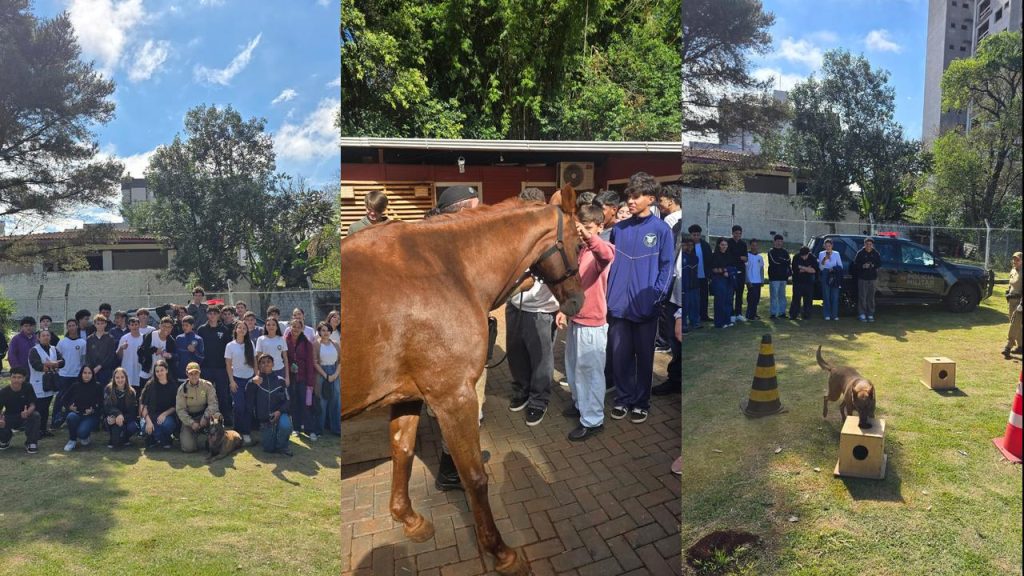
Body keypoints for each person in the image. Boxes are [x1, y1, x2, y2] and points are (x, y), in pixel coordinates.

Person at [606, 173, 674, 424]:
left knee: (644, 358)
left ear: (651, 199)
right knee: (619, 356)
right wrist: (609, 296)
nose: (630, 201)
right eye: (629, 196)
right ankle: (623, 399)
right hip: (618, 307)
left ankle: (641, 401)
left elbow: (667, 267)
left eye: (636, 196)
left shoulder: (661, 230)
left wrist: (656, 298)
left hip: (646, 307)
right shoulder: (619, 229)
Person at [556, 205, 615, 439]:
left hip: (593, 321)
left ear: (600, 227)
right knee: (573, 367)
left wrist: (589, 236)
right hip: (576, 318)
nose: (583, 233)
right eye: (581, 228)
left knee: (590, 372)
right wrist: (564, 311)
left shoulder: (602, 247)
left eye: (589, 228)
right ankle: (581, 405)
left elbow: (606, 254)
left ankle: (593, 420)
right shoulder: (580, 251)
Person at [250, 353, 293, 456]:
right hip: (265, 420)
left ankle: (282, 446)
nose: (266, 364)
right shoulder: (255, 382)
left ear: (273, 364)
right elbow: (249, 399)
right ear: (259, 365)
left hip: (280, 414)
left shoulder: (280, 381)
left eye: (268, 362)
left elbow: (288, 401)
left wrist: (279, 412)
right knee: (269, 448)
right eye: (263, 362)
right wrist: (252, 381)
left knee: (285, 425)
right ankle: (274, 436)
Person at [197, 305, 231, 426]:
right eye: (210, 313)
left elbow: (228, 350)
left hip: (221, 368)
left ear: (218, 315)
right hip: (206, 368)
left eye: (215, 313)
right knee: (204, 395)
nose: (212, 316)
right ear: (207, 315)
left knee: (223, 395)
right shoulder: (201, 330)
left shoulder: (225, 330)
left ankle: (225, 419)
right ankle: (204, 420)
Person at [175, 362, 218, 453]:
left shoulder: (207, 386)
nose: (194, 376)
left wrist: (206, 417)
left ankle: (213, 441)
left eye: (196, 373)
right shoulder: (182, 389)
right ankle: (201, 439)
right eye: (191, 374)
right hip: (190, 418)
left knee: (217, 418)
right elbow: (180, 410)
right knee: (188, 448)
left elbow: (213, 404)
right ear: (187, 374)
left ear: (200, 373)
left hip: (205, 416)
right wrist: (191, 423)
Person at [225, 322, 257, 445]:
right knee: (239, 406)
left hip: (249, 380)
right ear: (236, 330)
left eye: (244, 328)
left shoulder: (250, 344)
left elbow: (254, 361)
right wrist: (231, 381)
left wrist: (256, 376)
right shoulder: (230, 345)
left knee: (249, 407)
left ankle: (246, 432)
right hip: (236, 380)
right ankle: (237, 431)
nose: (242, 330)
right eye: (240, 328)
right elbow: (228, 364)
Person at [28, 328, 63, 437]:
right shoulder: (34, 350)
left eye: (47, 335)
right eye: (43, 335)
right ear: (38, 338)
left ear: (50, 337)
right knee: (38, 408)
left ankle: (44, 429)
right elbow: (37, 365)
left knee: (46, 408)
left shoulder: (54, 348)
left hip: (49, 383)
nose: (46, 337)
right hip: (38, 383)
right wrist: (53, 364)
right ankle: (36, 431)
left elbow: (62, 362)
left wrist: (50, 364)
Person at [53, 318, 87, 428]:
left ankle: (70, 418)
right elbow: (57, 357)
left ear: (77, 326)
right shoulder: (62, 342)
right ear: (67, 328)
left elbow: (83, 359)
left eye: (73, 325)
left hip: (76, 375)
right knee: (61, 397)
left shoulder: (82, 342)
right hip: (64, 375)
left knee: (74, 398)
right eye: (69, 326)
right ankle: (56, 419)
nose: (72, 327)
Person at [286, 317, 316, 438]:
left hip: (303, 378)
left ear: (302, 328)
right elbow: (284, 358)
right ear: (290, 327)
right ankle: (296, 428)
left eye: (299, 327)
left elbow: (310, 362)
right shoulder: (285, 340)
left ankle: (309, 430)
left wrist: (310, 381)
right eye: (294, 326)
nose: (296, 329)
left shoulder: (307, 343)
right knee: (294, 403)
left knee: (306, 404)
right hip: (290, 377)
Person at [0, 367, 42, 453]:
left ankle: (31, 443)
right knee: (1, 423)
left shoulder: (28, 387)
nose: (16, 380)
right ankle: (5, 439)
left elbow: (33, 404)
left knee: (35, 415)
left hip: (24, 416)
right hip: (9, 416)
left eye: (19, 377)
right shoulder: (4, 392)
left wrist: (28, 412)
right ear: (10, 377)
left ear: (24, 378)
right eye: (14, 377)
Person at [61, 365, 103, 451]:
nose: (87, 375)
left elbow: (102, 404)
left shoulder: (97, 386)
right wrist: (69, 406)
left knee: (82, 433)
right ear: (81, 374)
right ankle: (72, 440)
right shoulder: (75, 385)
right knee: (70, 416)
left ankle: (85, 436)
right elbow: (63, 399)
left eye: (89, 373)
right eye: (84, 373)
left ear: (92, 374)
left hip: (91, 416)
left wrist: (93, 410)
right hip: (77, 414)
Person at [140, 359, 179, 449]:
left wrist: (165, 414)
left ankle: (155, 438)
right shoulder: (150, 385)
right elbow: (144, 406)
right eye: (157, 371)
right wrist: (148, 421)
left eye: (162, 370)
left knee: (167, 424)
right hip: (150, 416)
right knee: (144, 428)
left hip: (166, 417)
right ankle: (163, 439)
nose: (159, 373)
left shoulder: (173, 386)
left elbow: (175, 406)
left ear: (167, 370)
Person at [313, 321, 340, 437]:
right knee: (321, 402)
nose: (326, 332)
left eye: (328, 330)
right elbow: (315, 363)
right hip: (321, 373)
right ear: (319, 332)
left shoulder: (335, 344)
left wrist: (334, 375)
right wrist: (326, 376)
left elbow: (340, 362)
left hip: (335, 372)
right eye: (323, 330)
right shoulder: (316, 344)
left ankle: (336, 428)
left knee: (336, 401)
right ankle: (319, 429)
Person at [103, 367, 139, 449]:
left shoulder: (131, 392)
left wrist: (121, 417)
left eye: (122, 377)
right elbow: (107, 407)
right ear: (114, 378)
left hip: (126, 420)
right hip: (113, 419)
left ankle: (125, 438)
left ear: (126, 378)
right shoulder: (108, 389)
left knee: (133, 427)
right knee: (115, 443)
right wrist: (117, 415)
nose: (120, 380)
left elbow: (133, 412)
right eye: (117, 377)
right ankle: (114, 438)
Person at [138, 316, 176, 391]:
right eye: (164, 326)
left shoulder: (171, 341)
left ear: (171, 328)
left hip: (162, 373)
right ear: (160, 326)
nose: (166, 329)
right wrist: (154, 350)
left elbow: (175, 356)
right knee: (143, 392)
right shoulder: (151, 335)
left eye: (169, 327)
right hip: (148, 369)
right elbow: (141, 351)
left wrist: (169, 355)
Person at [853, 237, 882, 322]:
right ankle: (862, 314)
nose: (869, 246)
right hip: (863, 278)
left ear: (872, 245)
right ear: (864, 244)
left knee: (871, 297)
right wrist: (863, 266)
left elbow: (879, 264)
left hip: (873, 278)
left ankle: (870, 314)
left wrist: (873, 266)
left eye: (870, 244)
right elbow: (855, 264)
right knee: (862, 296)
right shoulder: (860, 253)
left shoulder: (876, 253)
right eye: (867, 244)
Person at [689, 225, 713, 323]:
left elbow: (710, 260)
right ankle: (693, 316)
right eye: (694, 235)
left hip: (704, 275)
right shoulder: (688, 246)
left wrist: (710, 275)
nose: (696, 237)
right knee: (694, 298)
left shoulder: (705, 245)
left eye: (698, 235)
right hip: (693, 277)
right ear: (691, 235)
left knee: (704, 297)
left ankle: (704, 315)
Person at [256, 315, 290, 384]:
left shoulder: (281, 339)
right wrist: (258, 374)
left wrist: (287, 377)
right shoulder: (260, 339)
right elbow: (258, 359)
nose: (271, 327)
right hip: (265, 371)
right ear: (265, 326)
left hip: (279, 370)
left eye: (273, 325)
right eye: (268, 325)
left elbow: (285, 358)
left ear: (277, 327)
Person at [86, 315, 118, 386]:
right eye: (98, 323)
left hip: (106, 371)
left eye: (102, 323)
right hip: (93, 371)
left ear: (105, 324)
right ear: (94, 324)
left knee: (105, 392)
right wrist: (91, 369)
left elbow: (111, 355)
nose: (100, 325)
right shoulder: (89, 339)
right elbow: (88, 355)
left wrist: (100, 366)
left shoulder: (110, 338)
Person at [116, 316, 146, 392]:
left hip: (140, 371)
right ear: (128, 326)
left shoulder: (144, 338)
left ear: (139, 325)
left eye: (136, 324)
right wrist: (121, 348)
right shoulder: (124, 338)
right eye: (132, 325)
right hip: (128, 371)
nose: (134, 327)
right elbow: (118, 356)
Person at [709, 238, 734, 328]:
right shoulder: (715, 255)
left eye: (726, 245)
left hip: (729, 280)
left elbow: (731, 267)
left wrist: (729, 271)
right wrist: (723, 271)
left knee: (728, 300)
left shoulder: (729, 255)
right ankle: (719, 322)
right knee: (720, 301)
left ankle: (727, 320)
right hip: (719, 280)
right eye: (722, 245)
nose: (724, 247)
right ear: (719, 245)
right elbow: (713, 269)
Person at [727, 225, 749, 323]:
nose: (738, 235)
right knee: (731, 294)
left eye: (739, 233)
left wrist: (741, 258)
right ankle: (731, 314)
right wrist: (739, 258)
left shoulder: (743, 244)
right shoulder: (728, 243)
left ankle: (738, 313)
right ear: (732, 233)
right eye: (736, 233)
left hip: (741, 271)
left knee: (740, 294)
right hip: (732, 272)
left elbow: (745, 258)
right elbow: (729, 257)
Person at [790, 246, 819, 320]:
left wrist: (801, 267)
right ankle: (794, 315)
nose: (803, 257)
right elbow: (795, 270)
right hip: (797, 282)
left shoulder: (812, 258)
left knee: (808, 300)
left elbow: (814, 270)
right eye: (802, 255)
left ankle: (807, 315)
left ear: (808, 253)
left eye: (805, 255)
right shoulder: (796, 257)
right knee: (796, 299)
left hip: (809, 282)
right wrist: (808, 268)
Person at [174, 315, 205, 384]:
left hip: (194, 373)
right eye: (183, 325)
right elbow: (176, 355)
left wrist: (194, 351)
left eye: (186, 325)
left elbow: (202, 357)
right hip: (181, 372)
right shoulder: (179, 338)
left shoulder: (198, 339)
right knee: (182, 393)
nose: (184, 327)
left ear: (192, 326)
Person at [767, 235, 792, 319]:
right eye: (777, 241)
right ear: (774, 242)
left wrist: (781, 260)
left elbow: (788, 261)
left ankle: (782, 313)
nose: (779, 242)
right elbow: (774, 262)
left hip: (783, 277)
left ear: (782, 242)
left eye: (780, 241)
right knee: (774, 296)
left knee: (782, 296)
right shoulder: (771, 251)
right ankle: (773, 313)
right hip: (774, 277)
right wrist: (783, 261)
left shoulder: (785, 251)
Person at [1003, 252, 1022, 358]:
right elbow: (1011, 284)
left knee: (1014, 324)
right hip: (1012, 300)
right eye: (1014, 259)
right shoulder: (1013, 270)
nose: (1015, 261)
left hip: (1020, 302)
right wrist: (1008, 292)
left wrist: (1022, 304)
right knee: (1016, 324)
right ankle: (1021, 347)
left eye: (1017, 259)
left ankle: (1008, 347)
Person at [819, 239, 843, 321]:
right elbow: (821, 268)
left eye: (829, 246)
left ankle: (834, 315)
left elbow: (840, 266)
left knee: (835, 296)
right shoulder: (821, 254)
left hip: (834, 275)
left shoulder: (837, 254)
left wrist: (833, 268)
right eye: (826, 246)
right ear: (824, 246)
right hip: (825, 274)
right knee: (826, 295)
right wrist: (825, 259)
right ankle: (827, 314)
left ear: (832, 246)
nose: (828, 247)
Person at [745, 239, 765, 321]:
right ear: (750, 246)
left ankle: (754, 313)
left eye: (756, 245)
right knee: (751, 298)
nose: (754, 247)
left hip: (758, 281)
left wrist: (762, 279)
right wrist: (747, 280)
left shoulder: (760, 257)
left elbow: (761, 269)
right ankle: (749, 315)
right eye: (753, 245)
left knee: (756, 298)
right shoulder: (747, 256)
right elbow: (745, 268)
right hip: (751, 281)